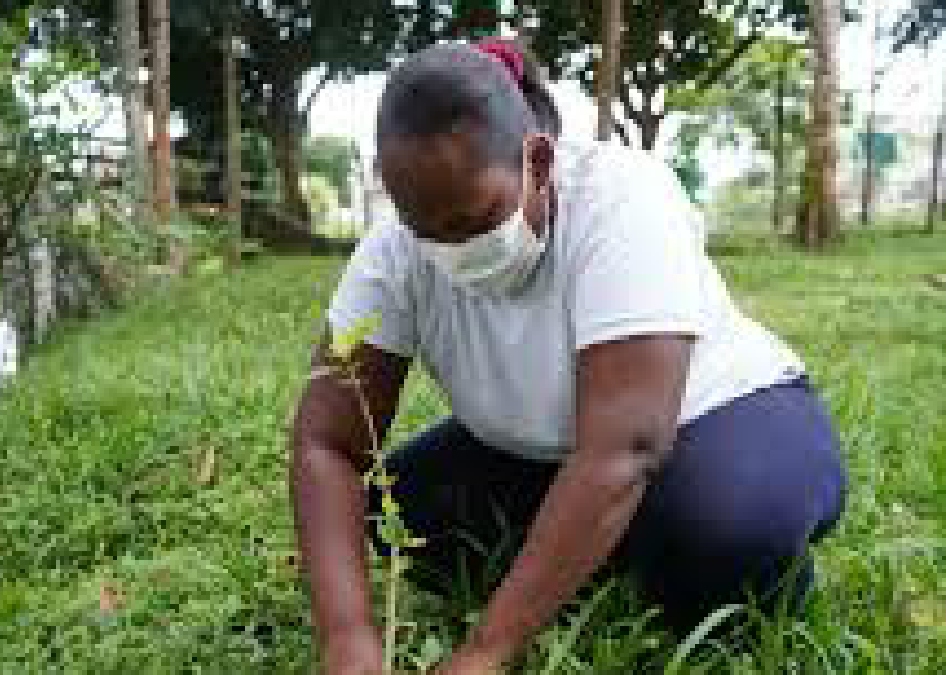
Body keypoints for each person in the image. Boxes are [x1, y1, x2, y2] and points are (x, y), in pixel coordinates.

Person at [289, 38, 847, 675]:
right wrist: (347, 639)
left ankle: (664, 548)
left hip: (716, 417)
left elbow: (627, 447)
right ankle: (600, 545)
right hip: (546, 456)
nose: (451, 247)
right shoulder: (394, 251)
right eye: (427, 230)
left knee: (724, 535)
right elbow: (326, 443)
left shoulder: (622, 198)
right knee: (411, 508)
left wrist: (487, 650)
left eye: (475, 218)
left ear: (540, 161)